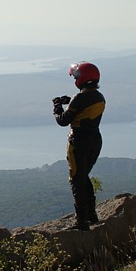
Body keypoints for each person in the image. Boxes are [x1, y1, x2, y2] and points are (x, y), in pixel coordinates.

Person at [53, 62, 105, 231]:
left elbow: (63, 120)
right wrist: (71, 102)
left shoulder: (80, 98)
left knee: (76, 179)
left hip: (78, 142)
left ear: (81, 78)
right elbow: (84, 108)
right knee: (84, 176)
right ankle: (91, 214)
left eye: (75, 76)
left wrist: (57, 107)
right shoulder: (99, 96)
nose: (74, 79)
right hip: (95, 141)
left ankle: (81, 221)